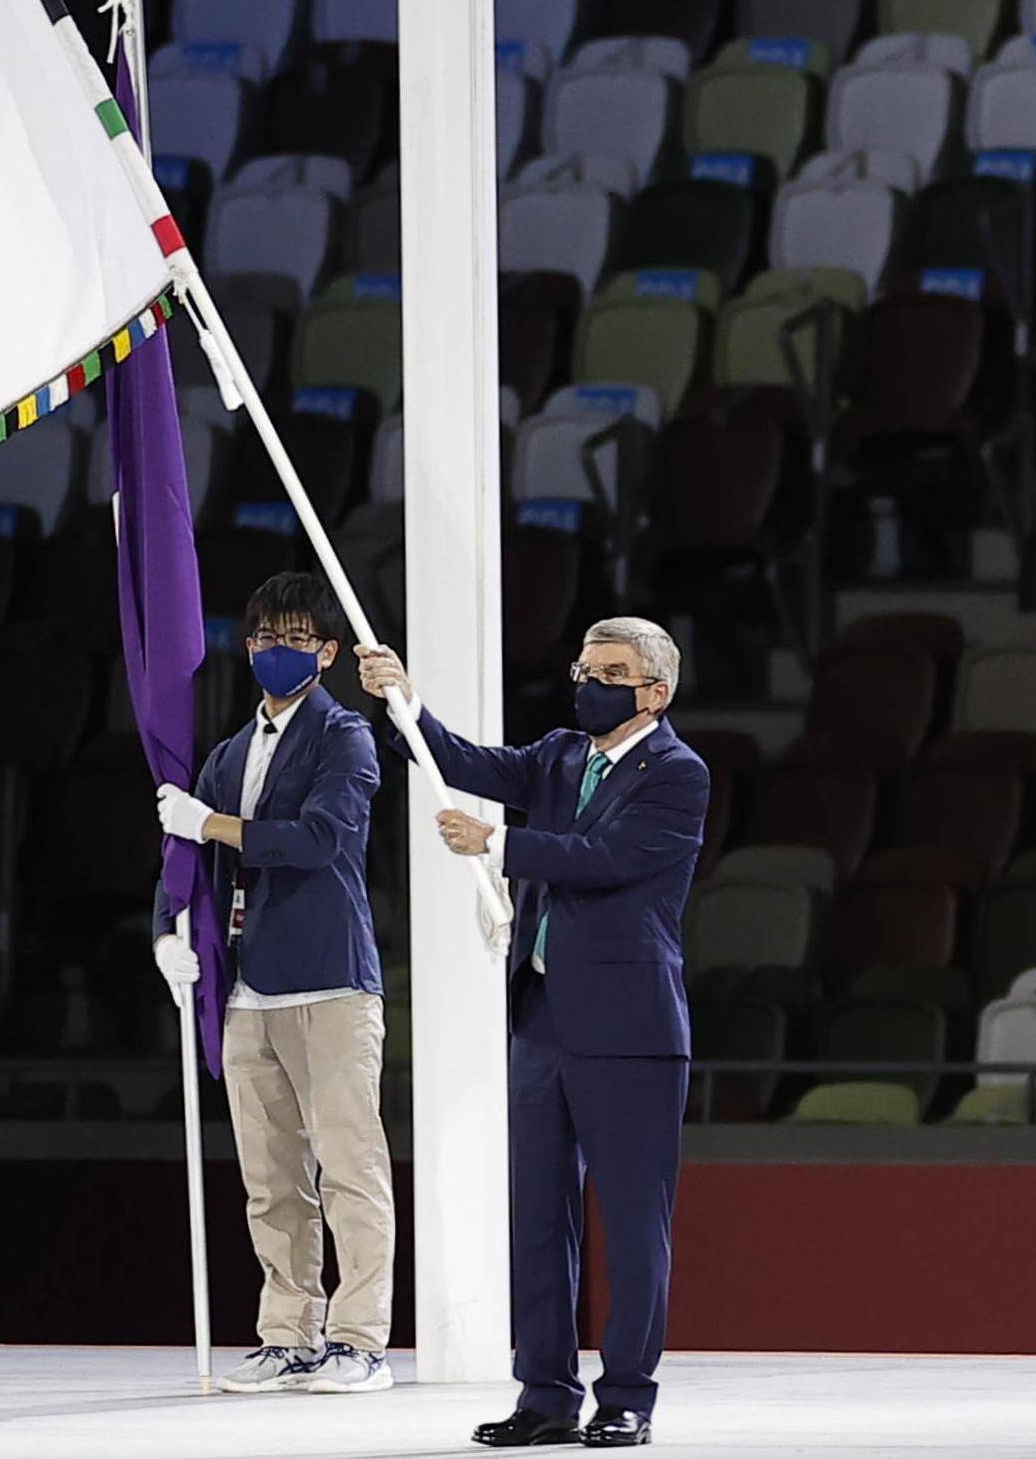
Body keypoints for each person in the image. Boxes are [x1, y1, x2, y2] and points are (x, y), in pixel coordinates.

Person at [358, 619, 708, 1452]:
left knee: (631, 1222)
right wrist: (402, 702)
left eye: (611, 671)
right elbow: (466, 763)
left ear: (655, 691)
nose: (589, 681)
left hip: (631, 1027)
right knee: (539, 1219)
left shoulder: (679, 775)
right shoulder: (558, 753)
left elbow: (607, 858)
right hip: (543, 1020)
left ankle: (626, 1395)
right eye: (584, 666)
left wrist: (500, 841)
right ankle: (546, 1393)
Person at [150, 572, 395, 1396]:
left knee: (350, 1166)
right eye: (260, 637)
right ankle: (289, 1332)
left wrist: (211, 822)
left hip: (329, 981)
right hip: (248, 988)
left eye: (292, 637)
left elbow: (319, 838)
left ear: (326, 652)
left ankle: (359, 1338)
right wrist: (166, 931)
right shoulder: (229, 752)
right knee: (271, 1177)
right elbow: (184, 854)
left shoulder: (346, 739)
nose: (273, 651)